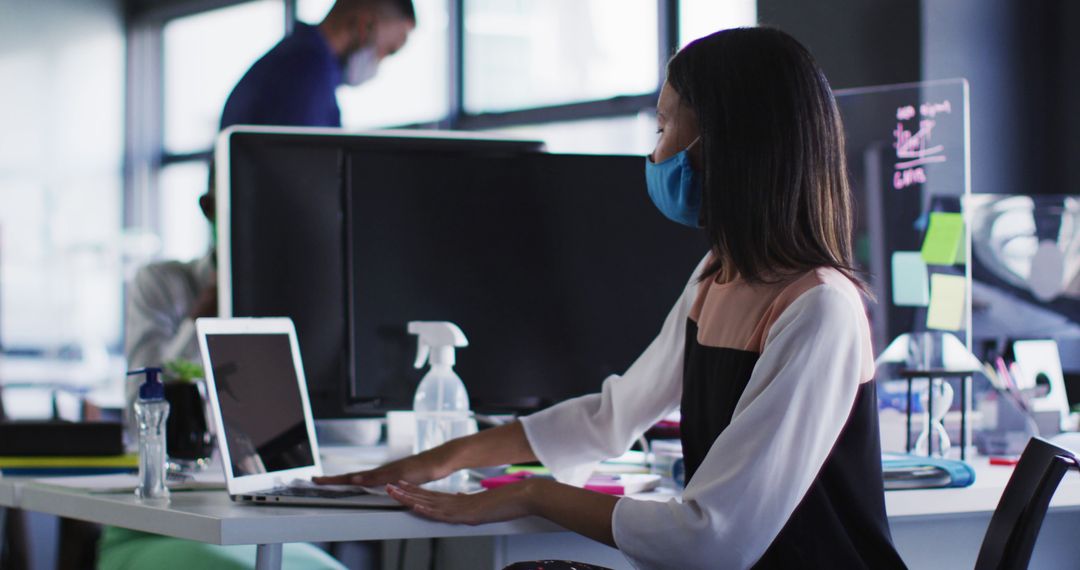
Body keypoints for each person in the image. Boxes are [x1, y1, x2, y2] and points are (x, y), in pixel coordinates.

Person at [316, 27, 908, 569]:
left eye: (663, 126)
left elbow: (711, 539)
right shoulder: (716, 277)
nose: (654, 153)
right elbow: (614, 416)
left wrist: (532, 493)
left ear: (727, 141)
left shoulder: (819, 308)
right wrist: (440, 459)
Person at [100, 175, 345, 570]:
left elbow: (355, 434)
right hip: (164, 518)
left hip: (264, 523)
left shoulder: (302, 300)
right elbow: (141, 412)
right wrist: (205, 315)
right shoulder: (163, 283)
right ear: (209, 208)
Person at [220, 0, 415, 130]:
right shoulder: (306, 71)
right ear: (365, 25)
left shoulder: (299, 60)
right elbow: (308, 177)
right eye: (389, 50)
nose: (380, 60)